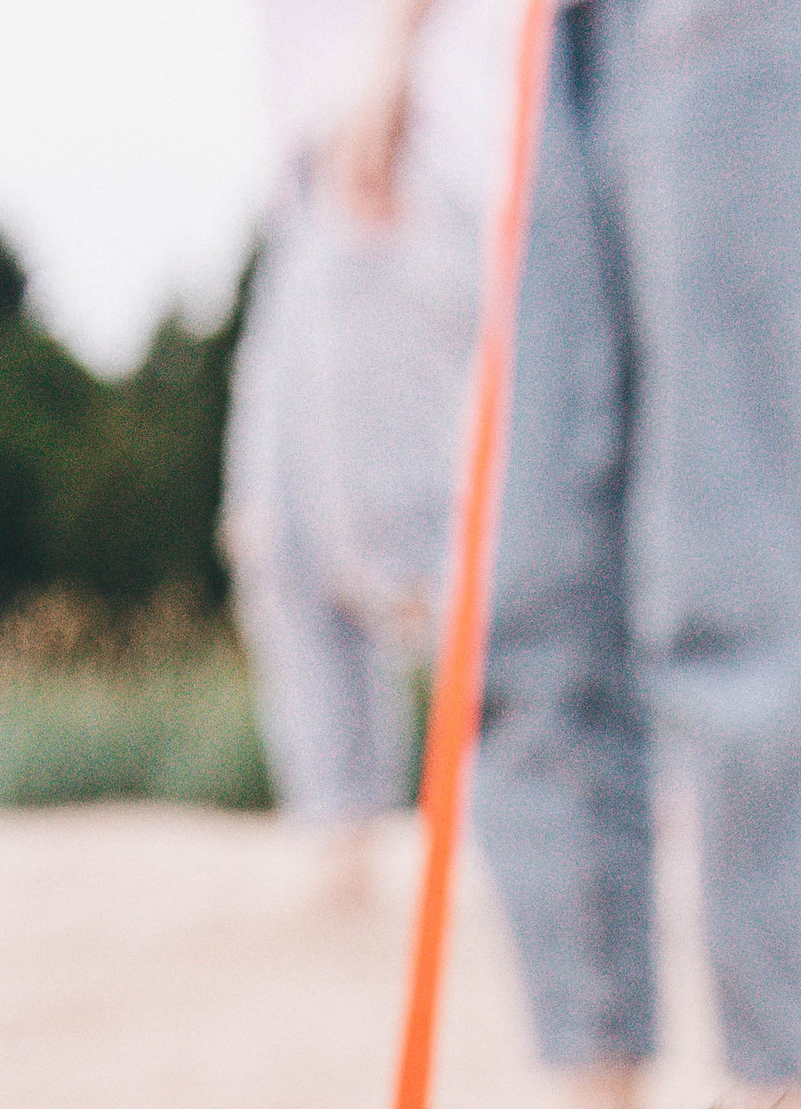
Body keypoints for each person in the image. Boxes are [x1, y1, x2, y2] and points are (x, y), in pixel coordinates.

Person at [352, 0, 801, 1109]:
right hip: (561, 32)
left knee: (748, 566)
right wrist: (398, 38)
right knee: (529, 592)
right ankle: (593, 1102)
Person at [224, 0, 514, 905]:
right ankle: (342, 846)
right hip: (316, 187)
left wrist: (385, 86)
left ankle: (577, 808)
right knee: (279, 535)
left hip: (396, 160)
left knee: (405, 546)